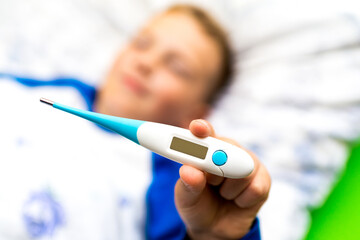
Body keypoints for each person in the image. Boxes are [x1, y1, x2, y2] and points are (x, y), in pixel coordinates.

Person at [0, 4, 270, 240]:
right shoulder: (47, 93)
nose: (146, 62)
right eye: (142, 43)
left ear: (196, 113)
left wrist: (213, 237)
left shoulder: (180, 183)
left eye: (177, 67)